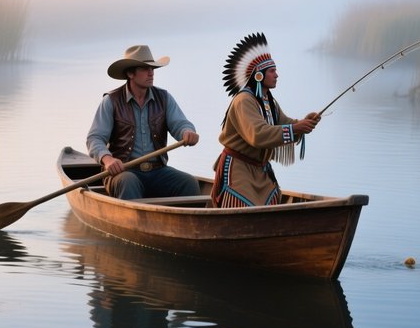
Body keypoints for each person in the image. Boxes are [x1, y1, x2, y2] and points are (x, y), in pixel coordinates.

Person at [211, 32, 320, 208]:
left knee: (273, 198)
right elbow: (258, 135)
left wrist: (302, 124)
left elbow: (284, 123)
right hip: (239, 170)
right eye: (272, 71)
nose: (277, 75)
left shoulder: (268, 100)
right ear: (259, 75)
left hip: (260, 171)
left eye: (275, 70)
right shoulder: (244, 100)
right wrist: (296, 129)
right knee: (243, 206)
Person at [87, 44, 200, 199]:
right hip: (123, 172)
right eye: (145, 69)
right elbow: (95, 138)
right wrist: (108, 159)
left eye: (152, 69)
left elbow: (180, 124)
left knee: (189, 183)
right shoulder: (110, 101)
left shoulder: (164, 98)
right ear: (130, 73)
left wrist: (188, 132)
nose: (151, 73)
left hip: (158, 171)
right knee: (129, 182)